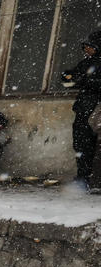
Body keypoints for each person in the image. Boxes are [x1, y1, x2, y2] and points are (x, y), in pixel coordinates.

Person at [61, 30, 101, 186]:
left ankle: (93, 179)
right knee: (80, 145)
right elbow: (74, 80)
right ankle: (83, 178)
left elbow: (91, 82)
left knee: (94, 148)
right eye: (85, 47)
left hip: (96, 110)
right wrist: (67, 76)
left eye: (90, 47)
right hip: (83, 110)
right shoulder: (85, 63)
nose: (86, 50)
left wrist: (84, 81)